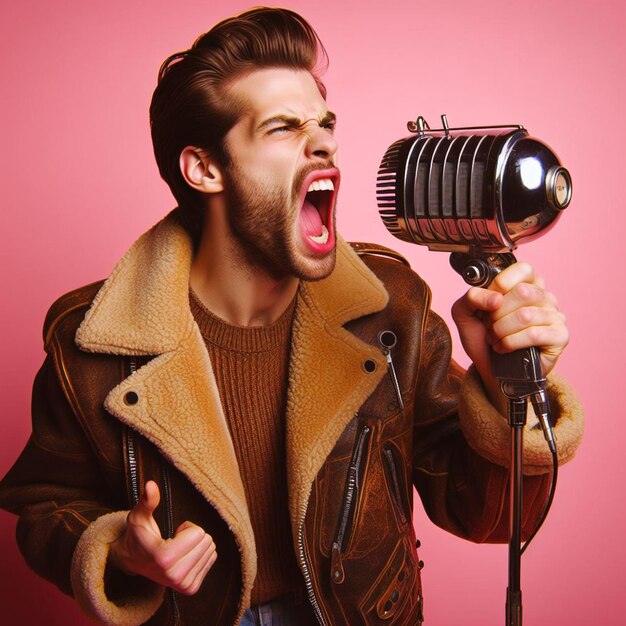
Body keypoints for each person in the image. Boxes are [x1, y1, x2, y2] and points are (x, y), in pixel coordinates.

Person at [0, 7, 584, 626]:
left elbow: (490, 518)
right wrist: (118, 549)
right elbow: (45, 504)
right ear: (205, 168)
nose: (325, 141)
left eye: (324, 123)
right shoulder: (91, 340)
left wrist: (504, 385)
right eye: (283, 127)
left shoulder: (392, 309)